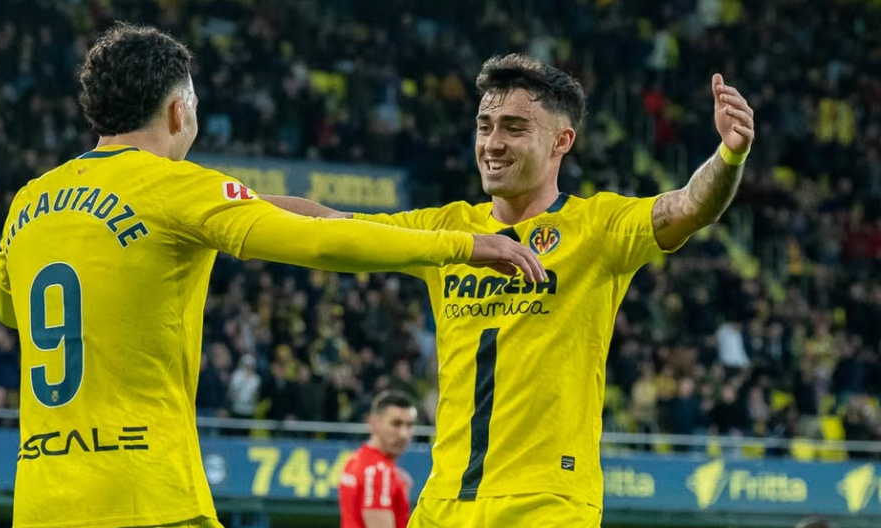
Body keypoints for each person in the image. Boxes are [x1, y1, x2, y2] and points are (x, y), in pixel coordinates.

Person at [0, 24, 542, 528]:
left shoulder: (29, 201)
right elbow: (321, 243)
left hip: (39, 503)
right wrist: (462, 244)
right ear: (179, 111)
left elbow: (7, 310)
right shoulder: (177, 188)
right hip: (146, 498)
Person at [267, 53, 755, 527]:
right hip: (444, 502)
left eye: (514, 128)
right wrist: (226, 202)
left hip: (546, 503)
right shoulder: (446, 230)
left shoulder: (598, 227)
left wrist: (730, 154)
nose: (492, 143)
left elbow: (689, 206)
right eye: (485, 127)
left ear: (562, 141)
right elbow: (331, 225)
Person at [339, 391, 417, 528]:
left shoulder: (356, 459)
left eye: (409, 425)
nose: (404, 434)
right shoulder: (379, 472)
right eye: (396, 424)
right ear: (374, 423)